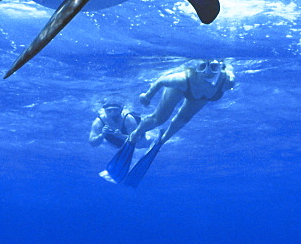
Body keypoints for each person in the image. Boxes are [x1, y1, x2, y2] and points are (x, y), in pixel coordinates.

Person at [100, 60, 235, 187]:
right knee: (159, 119)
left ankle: (161, 140)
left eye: (214, 67)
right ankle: (134, 136)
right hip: (183, 88)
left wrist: (228, 68)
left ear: (220, 68)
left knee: (183, 119)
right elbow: (161, 81)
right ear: (196, 68)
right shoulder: (183, 79)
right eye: (202, 67)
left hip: (203, 95)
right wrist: (147, 96)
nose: (207, 72)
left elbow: (229, 69)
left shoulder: (227, 82)